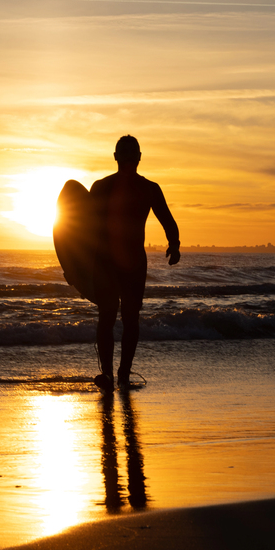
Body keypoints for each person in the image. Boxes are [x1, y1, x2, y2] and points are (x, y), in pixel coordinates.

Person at [90, 135, 180, 391]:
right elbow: (81, 228)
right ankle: (107, 374)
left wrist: (174, 244)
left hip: (134, 264)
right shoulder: (101, 187)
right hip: (106, 262)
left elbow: (167, 219)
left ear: (140, 157)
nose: (129, 156)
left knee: (131, 318)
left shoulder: (150, 188)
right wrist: (75, 265)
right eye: (124, 151)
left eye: (133, 152)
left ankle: (124, 373)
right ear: (116, 156)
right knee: (106, 316)